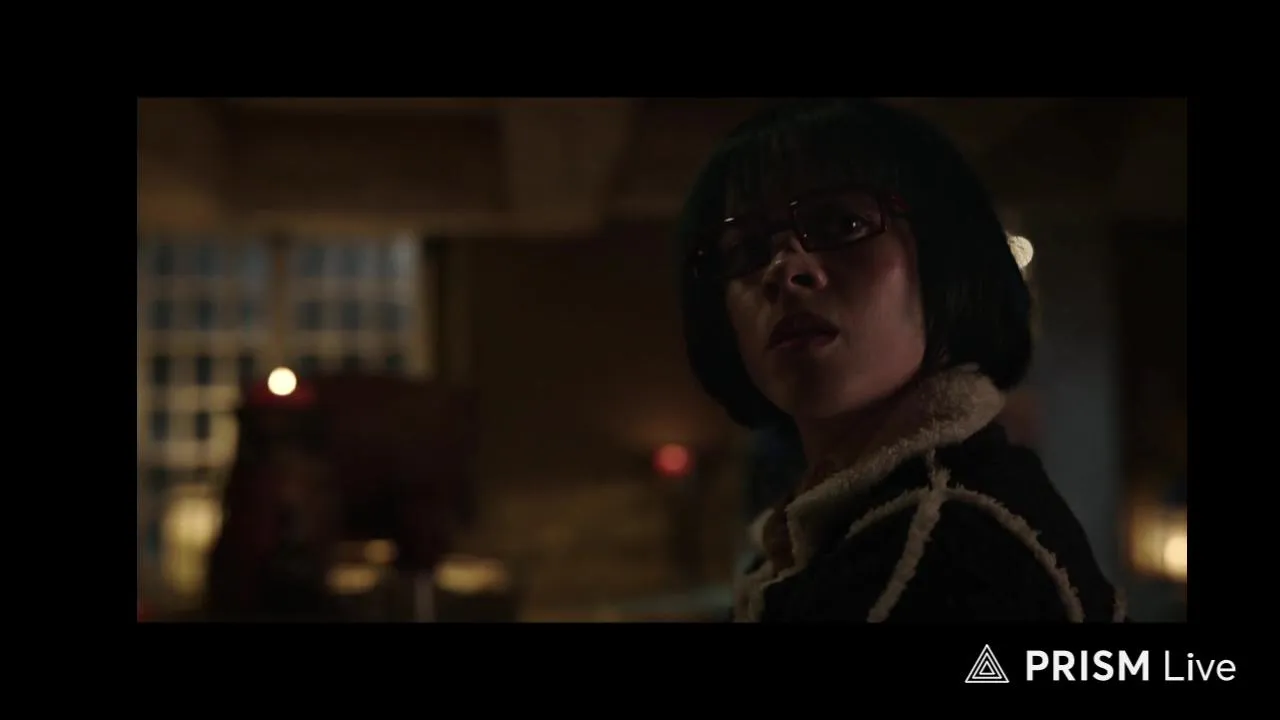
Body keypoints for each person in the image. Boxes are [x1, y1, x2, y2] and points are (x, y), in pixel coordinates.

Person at [678, 98, 1125, 623]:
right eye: (745, 249)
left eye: (841, 223)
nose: (783, 269)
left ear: (947, 256)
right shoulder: (818, 534)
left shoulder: (951, 546)